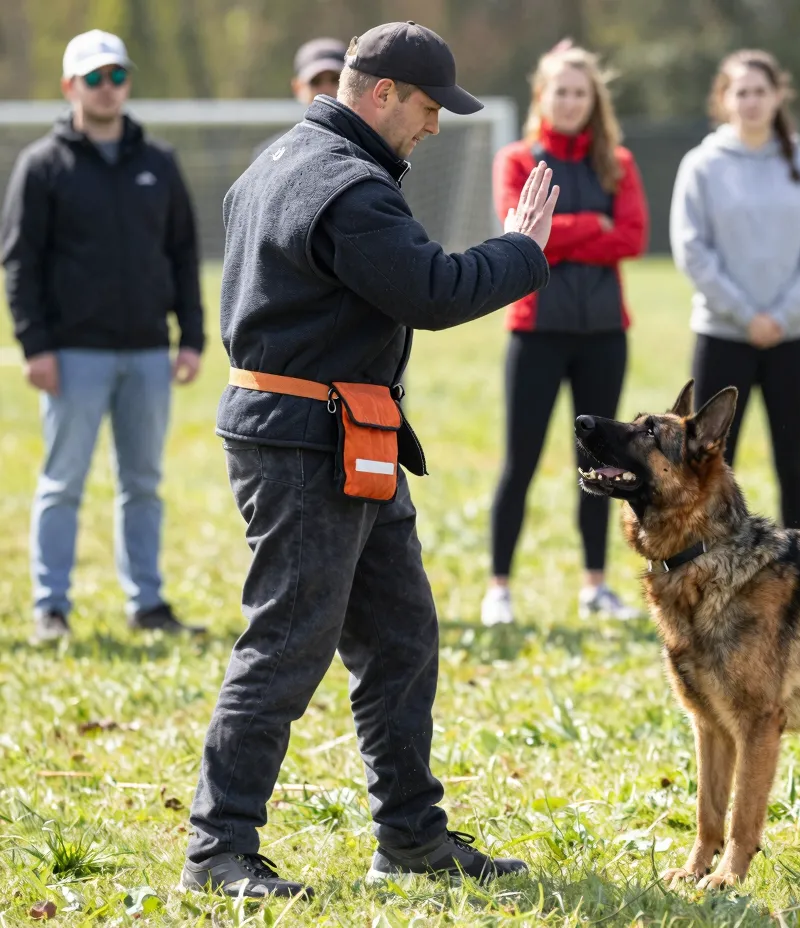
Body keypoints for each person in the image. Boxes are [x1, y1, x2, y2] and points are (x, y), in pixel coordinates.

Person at [180, 22, 559, 898]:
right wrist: (522, 250)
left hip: (342, 431)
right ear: (381, 92)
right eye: (428, 109)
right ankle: (218, 850)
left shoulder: (279, 161)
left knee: (399, 637)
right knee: (287, 643)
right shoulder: (347, 188)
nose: (433, 128)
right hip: (308, 441)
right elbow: (428, 291)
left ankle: (412, 837)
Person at [1, 29, 204, 643]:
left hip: (146, 352)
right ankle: (50, 607)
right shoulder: (42, 166)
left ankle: (148, 604)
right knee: (63, 483)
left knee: (142, 484)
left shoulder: (159, 163)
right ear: (70, 87)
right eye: (94, 78)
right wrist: (34, 346)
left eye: (116, 75)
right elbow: (19, 261)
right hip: (73, 356)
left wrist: (190, 337)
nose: (107, 87)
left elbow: (182, 254)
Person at [482, 41, 649, 627]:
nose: (571, 101)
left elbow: (632, 237)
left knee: (601, 465)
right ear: (542, 97)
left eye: (581, 92)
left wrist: (561, 230)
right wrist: (589, 226)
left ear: (594, 100)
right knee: (519, 462)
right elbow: (522, 232)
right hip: (537, 331)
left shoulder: (617, 164)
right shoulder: (517, 161)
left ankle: (596, 585)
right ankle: (499, 587)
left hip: (603, 333)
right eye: (561, 91)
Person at [670, 49, 800, 530]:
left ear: (779, 95)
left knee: (794, 464)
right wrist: (747, 315)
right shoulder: (702, 164)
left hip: (794, 337)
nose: (751, 101)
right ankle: (712, 565)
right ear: (724, 98)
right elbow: (692, 249)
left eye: (760, 91)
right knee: (710, 465)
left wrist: (782, 315)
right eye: (740, 92)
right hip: (723, 337)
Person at [252, 37, 347, 161]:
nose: (326, 88)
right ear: (298, 88)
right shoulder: (272, 155)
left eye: (335, 79)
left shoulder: (369, 146)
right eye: (315, 81)